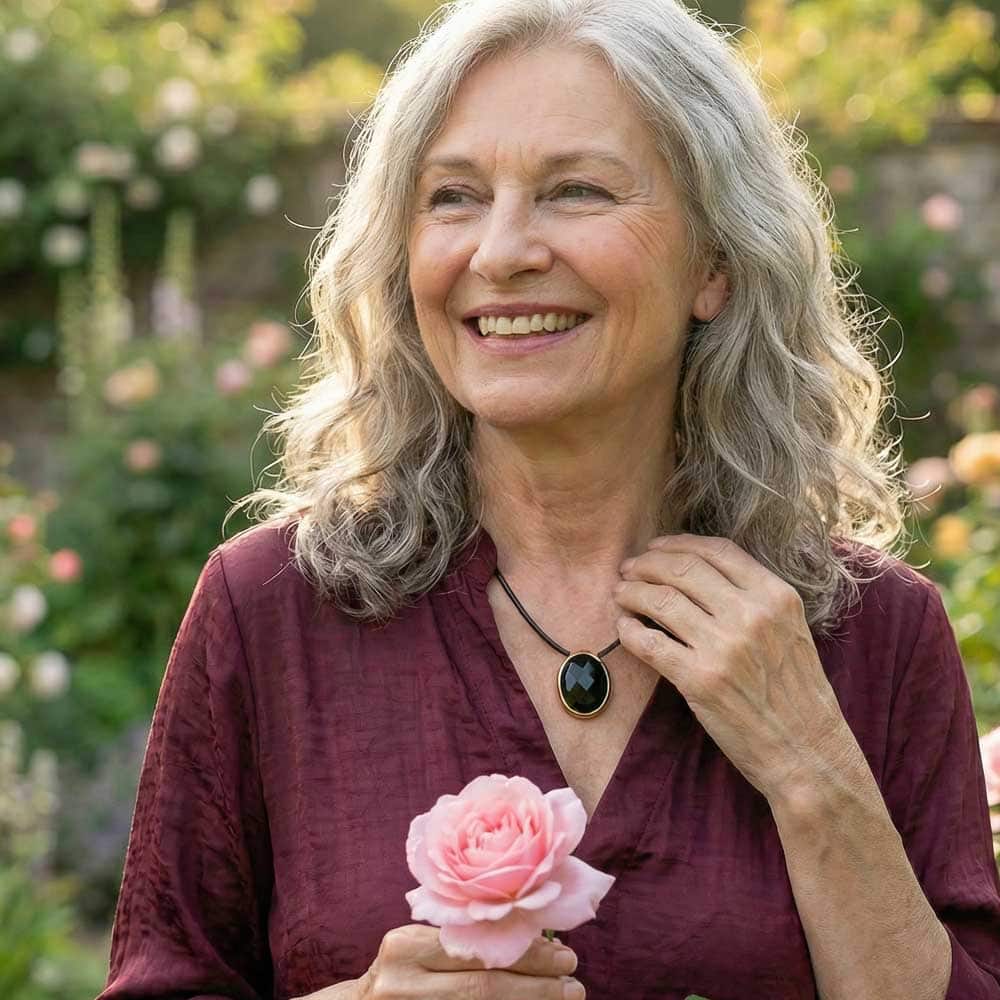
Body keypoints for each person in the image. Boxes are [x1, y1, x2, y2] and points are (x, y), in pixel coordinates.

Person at [97, 0, 1000, 997]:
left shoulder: (877, 635)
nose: (500, 251)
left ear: (715, 261)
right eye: (453, 196)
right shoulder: (269, 609)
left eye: (574, 190)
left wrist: (814, 774)